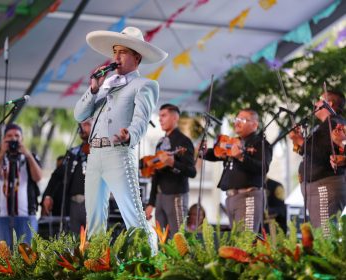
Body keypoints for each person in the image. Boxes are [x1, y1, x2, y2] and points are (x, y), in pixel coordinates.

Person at [74, 26, 167, 251]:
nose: (116, 57)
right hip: (94, 155)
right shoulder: (105, 87)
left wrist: (130, 135)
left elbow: (141, 119)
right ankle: (96, 264)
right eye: (114, 52)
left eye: (122, 52)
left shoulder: (144, 85)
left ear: (137, 57)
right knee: (94, 217)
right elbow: (79, 114)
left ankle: (150, 261)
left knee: (133, 214)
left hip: (118, 152)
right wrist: (94, 89)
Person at [200, 109, 272, 232]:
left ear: (255, 124)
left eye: (243, 120)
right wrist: (204, 152)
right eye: (236, 119)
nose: (237, 123)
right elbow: (216, 154)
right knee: (236, 240)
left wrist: (241, 157)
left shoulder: (260, 143)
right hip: (231, 197)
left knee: (246, 240)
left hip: (248, 196)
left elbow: (263, 168)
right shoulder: (233, 142)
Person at [289, 90, 346, 233]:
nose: (315, 103)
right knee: (321, 234)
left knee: (325, 235)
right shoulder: (326, 125)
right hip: (318, 186)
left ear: (329, 103)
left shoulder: (334, 123)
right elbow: (316, 150)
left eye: (319, 99)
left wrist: (301, 141)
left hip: (324, 185)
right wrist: (300, 143)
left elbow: (323, 153)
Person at [145, 104, 197, 237]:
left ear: (175, 118)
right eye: (159, 116)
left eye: (164, 115)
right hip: (160, 197)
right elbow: (155, 175)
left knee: (178, 239)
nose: (160, 119)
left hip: (176, 195)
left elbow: (192, 171)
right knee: (161, 238)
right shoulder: (160, 143)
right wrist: (151, 203)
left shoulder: (184, 142)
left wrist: (173, 163)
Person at [0, 123, 42, 246]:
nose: (13, 139)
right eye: (9, 136)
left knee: (27, 257)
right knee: (3, 257)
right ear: (3, 139)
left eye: (17, 136)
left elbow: (38, 177)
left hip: (26, 216)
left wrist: (27, 155)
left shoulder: (29, 156)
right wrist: (2, 153)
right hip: (2, 216)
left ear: (22, 139)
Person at [41, 120, 91, 235]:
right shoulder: (74, 153)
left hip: (93, 204)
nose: (82, 128)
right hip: (73, 204)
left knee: (93, 243)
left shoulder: (103, 151)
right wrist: (48, 195)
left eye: (87, 124)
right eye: (81, 125)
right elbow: (57, 175)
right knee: (75, 243)